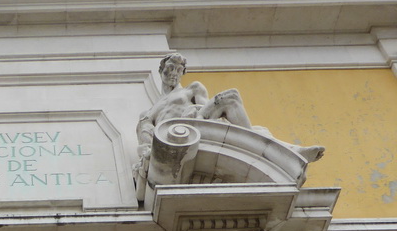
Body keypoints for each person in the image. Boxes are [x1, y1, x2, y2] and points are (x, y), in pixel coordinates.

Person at [135, 52, 324, 182]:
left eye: (178, 69)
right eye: (170, 68)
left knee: (231, 97)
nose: (174, 73)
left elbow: (204, 108)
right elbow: (147, 140)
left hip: (196, 123)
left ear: (183, 73)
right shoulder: (148, 113)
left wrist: (194, 112)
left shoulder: (192, 89)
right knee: (260, 131)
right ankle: (282, 149)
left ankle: (282, 149)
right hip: (174, 139)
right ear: (161, 70)